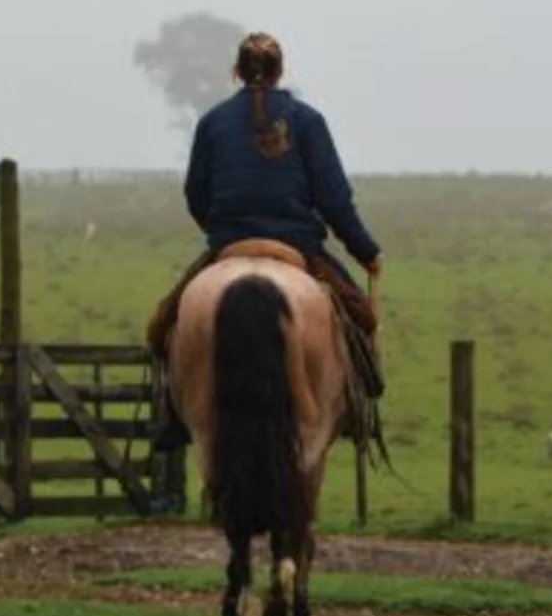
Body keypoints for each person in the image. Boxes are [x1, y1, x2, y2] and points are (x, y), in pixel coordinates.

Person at [146, 31, 384, 455]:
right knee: (361, 318)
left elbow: (195, 193)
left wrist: (221, 229)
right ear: (280, 72)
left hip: (229, 243)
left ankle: (172, 414)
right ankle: (354, 404)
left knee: (162, 326)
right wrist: (365, 250)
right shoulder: (309, 122)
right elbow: (333, 198)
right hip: (298, 247)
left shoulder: (212, 122)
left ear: (237, 72)